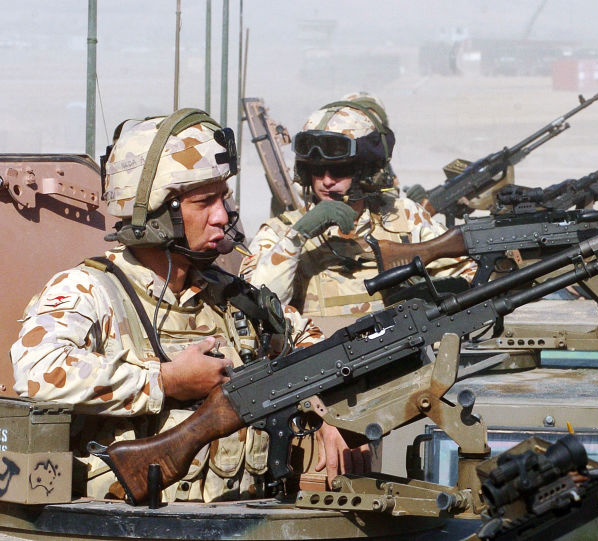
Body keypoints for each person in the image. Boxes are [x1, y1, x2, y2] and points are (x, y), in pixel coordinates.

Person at [10, 109, 363, 502]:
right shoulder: (90, 290)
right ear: (159, 212)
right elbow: (36, 372)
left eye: (223, 197)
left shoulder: (231, 296)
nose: (222, 216)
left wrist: (329, 410)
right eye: (204, 201)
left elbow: (309, 342)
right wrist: (163, 380)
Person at [240, 92, 474, 319]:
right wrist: (297, 237)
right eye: (317, 170)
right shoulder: (279, 232)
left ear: (365, 171)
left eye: (339, 170)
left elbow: (468, 274)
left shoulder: (403, 216)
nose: (326, 181)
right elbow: (259, 307)